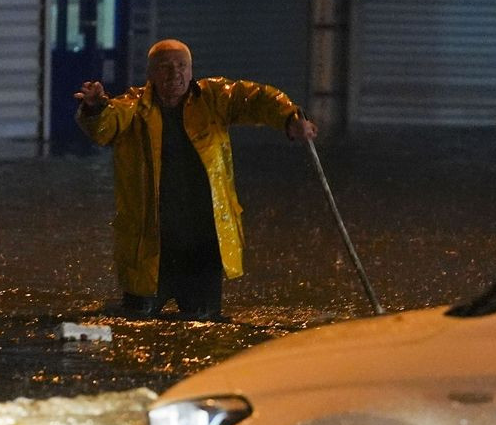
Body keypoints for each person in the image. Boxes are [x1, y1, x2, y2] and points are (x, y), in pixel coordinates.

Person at [75, 39, 318, 320]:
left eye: (182, 66)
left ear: (191, 71)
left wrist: (290, 119)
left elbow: (256, 99)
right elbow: (104, 127)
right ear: (151, 73)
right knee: (136, 320)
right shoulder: (132, 107)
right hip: (152, 246)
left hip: (203, 243)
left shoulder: (214, 98)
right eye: (165, 67)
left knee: (205, 323)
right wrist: (94, 108)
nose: (175, 74)